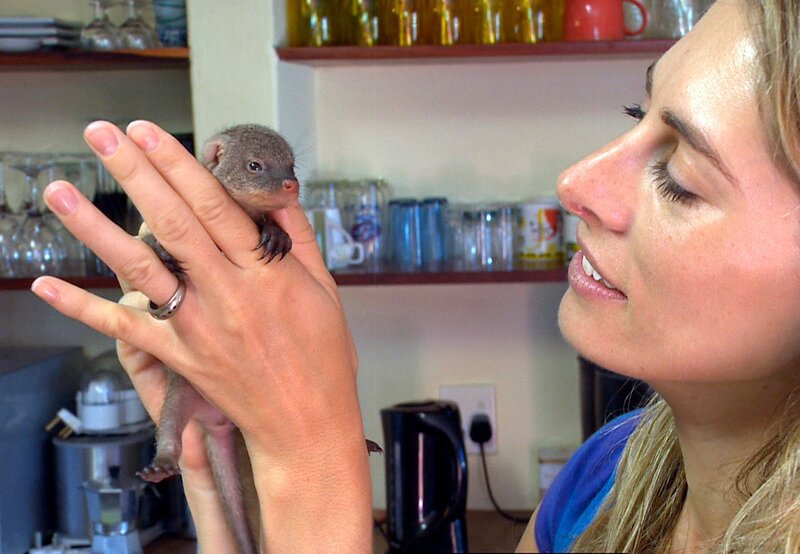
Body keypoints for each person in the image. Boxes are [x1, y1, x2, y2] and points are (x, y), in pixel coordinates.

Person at [30, 0, 800, 551]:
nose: (574, 182)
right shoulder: (601, 481)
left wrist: (313, 455)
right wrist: (215, 487)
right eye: (636, 114)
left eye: (682, 176)